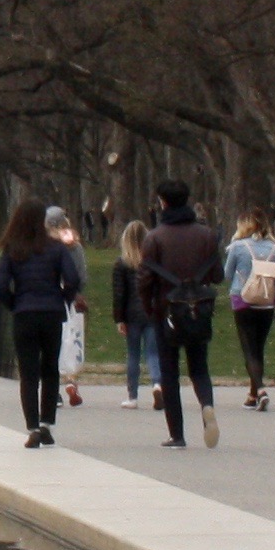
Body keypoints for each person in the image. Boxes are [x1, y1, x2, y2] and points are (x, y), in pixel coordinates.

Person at [0, 200, 82, 447]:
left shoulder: (13, 250)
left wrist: (14, 303)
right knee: (50, 369)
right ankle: (47, 423)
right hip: (51, 313)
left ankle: (32, 427)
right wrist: (63, 299)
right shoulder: (56, 248)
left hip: (24, 313)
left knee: (28, 373)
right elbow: (73, 278)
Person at [139, 181, 224, 449]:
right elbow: (218, 275)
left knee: (169, 372)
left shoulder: (154, 238)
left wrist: (149, 307)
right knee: (199, 367)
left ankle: (176, 434)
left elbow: (144, 280)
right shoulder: (207, 236)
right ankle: (207, 405)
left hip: (166, 310)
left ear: (163, 202)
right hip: (198, 310)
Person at [225, 206, 275, 410]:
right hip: (266, 303)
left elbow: (227, 274)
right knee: (258, 347)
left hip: (243, 301)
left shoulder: (237, 247)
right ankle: (253, 394)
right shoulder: (274, 249)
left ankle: (260, 389)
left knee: (248, 348)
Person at [111, 220, 155, 406]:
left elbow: (119, 294)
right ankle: (158, 384)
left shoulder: (122, 264)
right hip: (152, 312)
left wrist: (119, 319)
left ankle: (133, 396)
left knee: (133, 355)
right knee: (153, 353)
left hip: (131, 315)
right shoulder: (153, 262)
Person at [47, 207, 88, 406]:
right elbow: (81, 276)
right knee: (71, 339)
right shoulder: (74, 246)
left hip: (50, 300)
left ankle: (53, 390)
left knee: (52, 344)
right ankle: (71, 380)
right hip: (70, 300)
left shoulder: (43, 245)